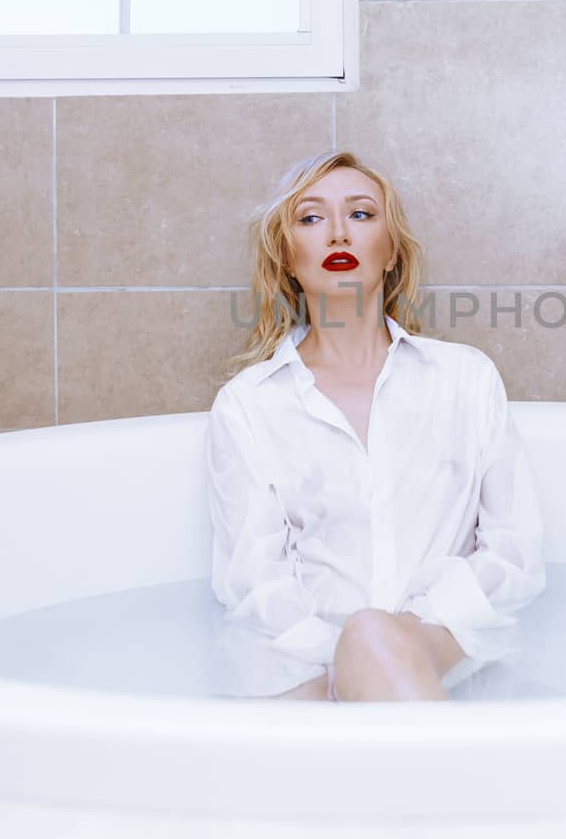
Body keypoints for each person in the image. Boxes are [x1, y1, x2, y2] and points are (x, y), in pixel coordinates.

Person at [204, 149, 547, 702]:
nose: (338, 232)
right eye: (311, 218)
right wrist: (344, 658)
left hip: (445, 652)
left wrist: (402, 635)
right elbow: (252, 584)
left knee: (373, 637)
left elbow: (515, 555)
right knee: (359, 647)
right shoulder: (249, 406)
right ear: (287, 259)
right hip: (304, 672)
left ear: (391, 253)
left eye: (362, 214)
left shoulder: (465, 379)